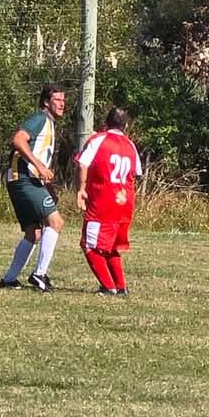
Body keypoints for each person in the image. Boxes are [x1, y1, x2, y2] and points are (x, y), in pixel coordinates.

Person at [0, 84, 68, 292]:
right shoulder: (40, 119)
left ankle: (9, 279)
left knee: (34, 232)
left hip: (23, 180)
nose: (62, 104)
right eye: (57, 99)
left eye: (64, 100)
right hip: (23, 179)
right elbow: (19, 140)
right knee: (55, 222)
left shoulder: (50, 125)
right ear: (46, 102)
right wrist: (39, 166)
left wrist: (49, 188)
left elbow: (39, 155)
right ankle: (39, 275)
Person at [76, 106, 141, 296]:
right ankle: (121, 287)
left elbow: (83, 163)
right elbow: (136, 172)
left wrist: (81, 189)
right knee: (111, 246)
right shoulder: (130, 145)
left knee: (90, 245)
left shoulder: (99, 140)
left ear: (106, 122)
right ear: (126, 125)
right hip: (125, 202)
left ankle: (108, 286)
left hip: (103, 201)